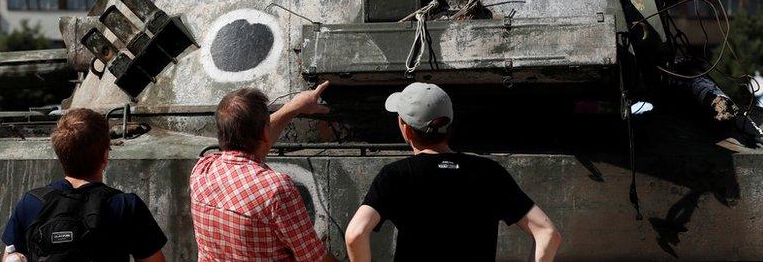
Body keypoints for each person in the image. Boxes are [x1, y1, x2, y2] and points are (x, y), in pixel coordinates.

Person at [344, 83, 561, 262]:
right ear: (448, 125)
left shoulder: (395, 175)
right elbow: (548, 233)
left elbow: (355, 234)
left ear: (407, 129)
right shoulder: (490, 173)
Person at [190, 82, 339, 262]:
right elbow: (315, 259)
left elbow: (252, 136)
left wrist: (293, 108)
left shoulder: (202, 170)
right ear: (264, 133)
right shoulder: (275, 190)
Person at [1, 108, 167, 261]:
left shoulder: (31, 203)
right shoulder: (125, 205)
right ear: (105, 156)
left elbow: (10, 257)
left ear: (60, 156)